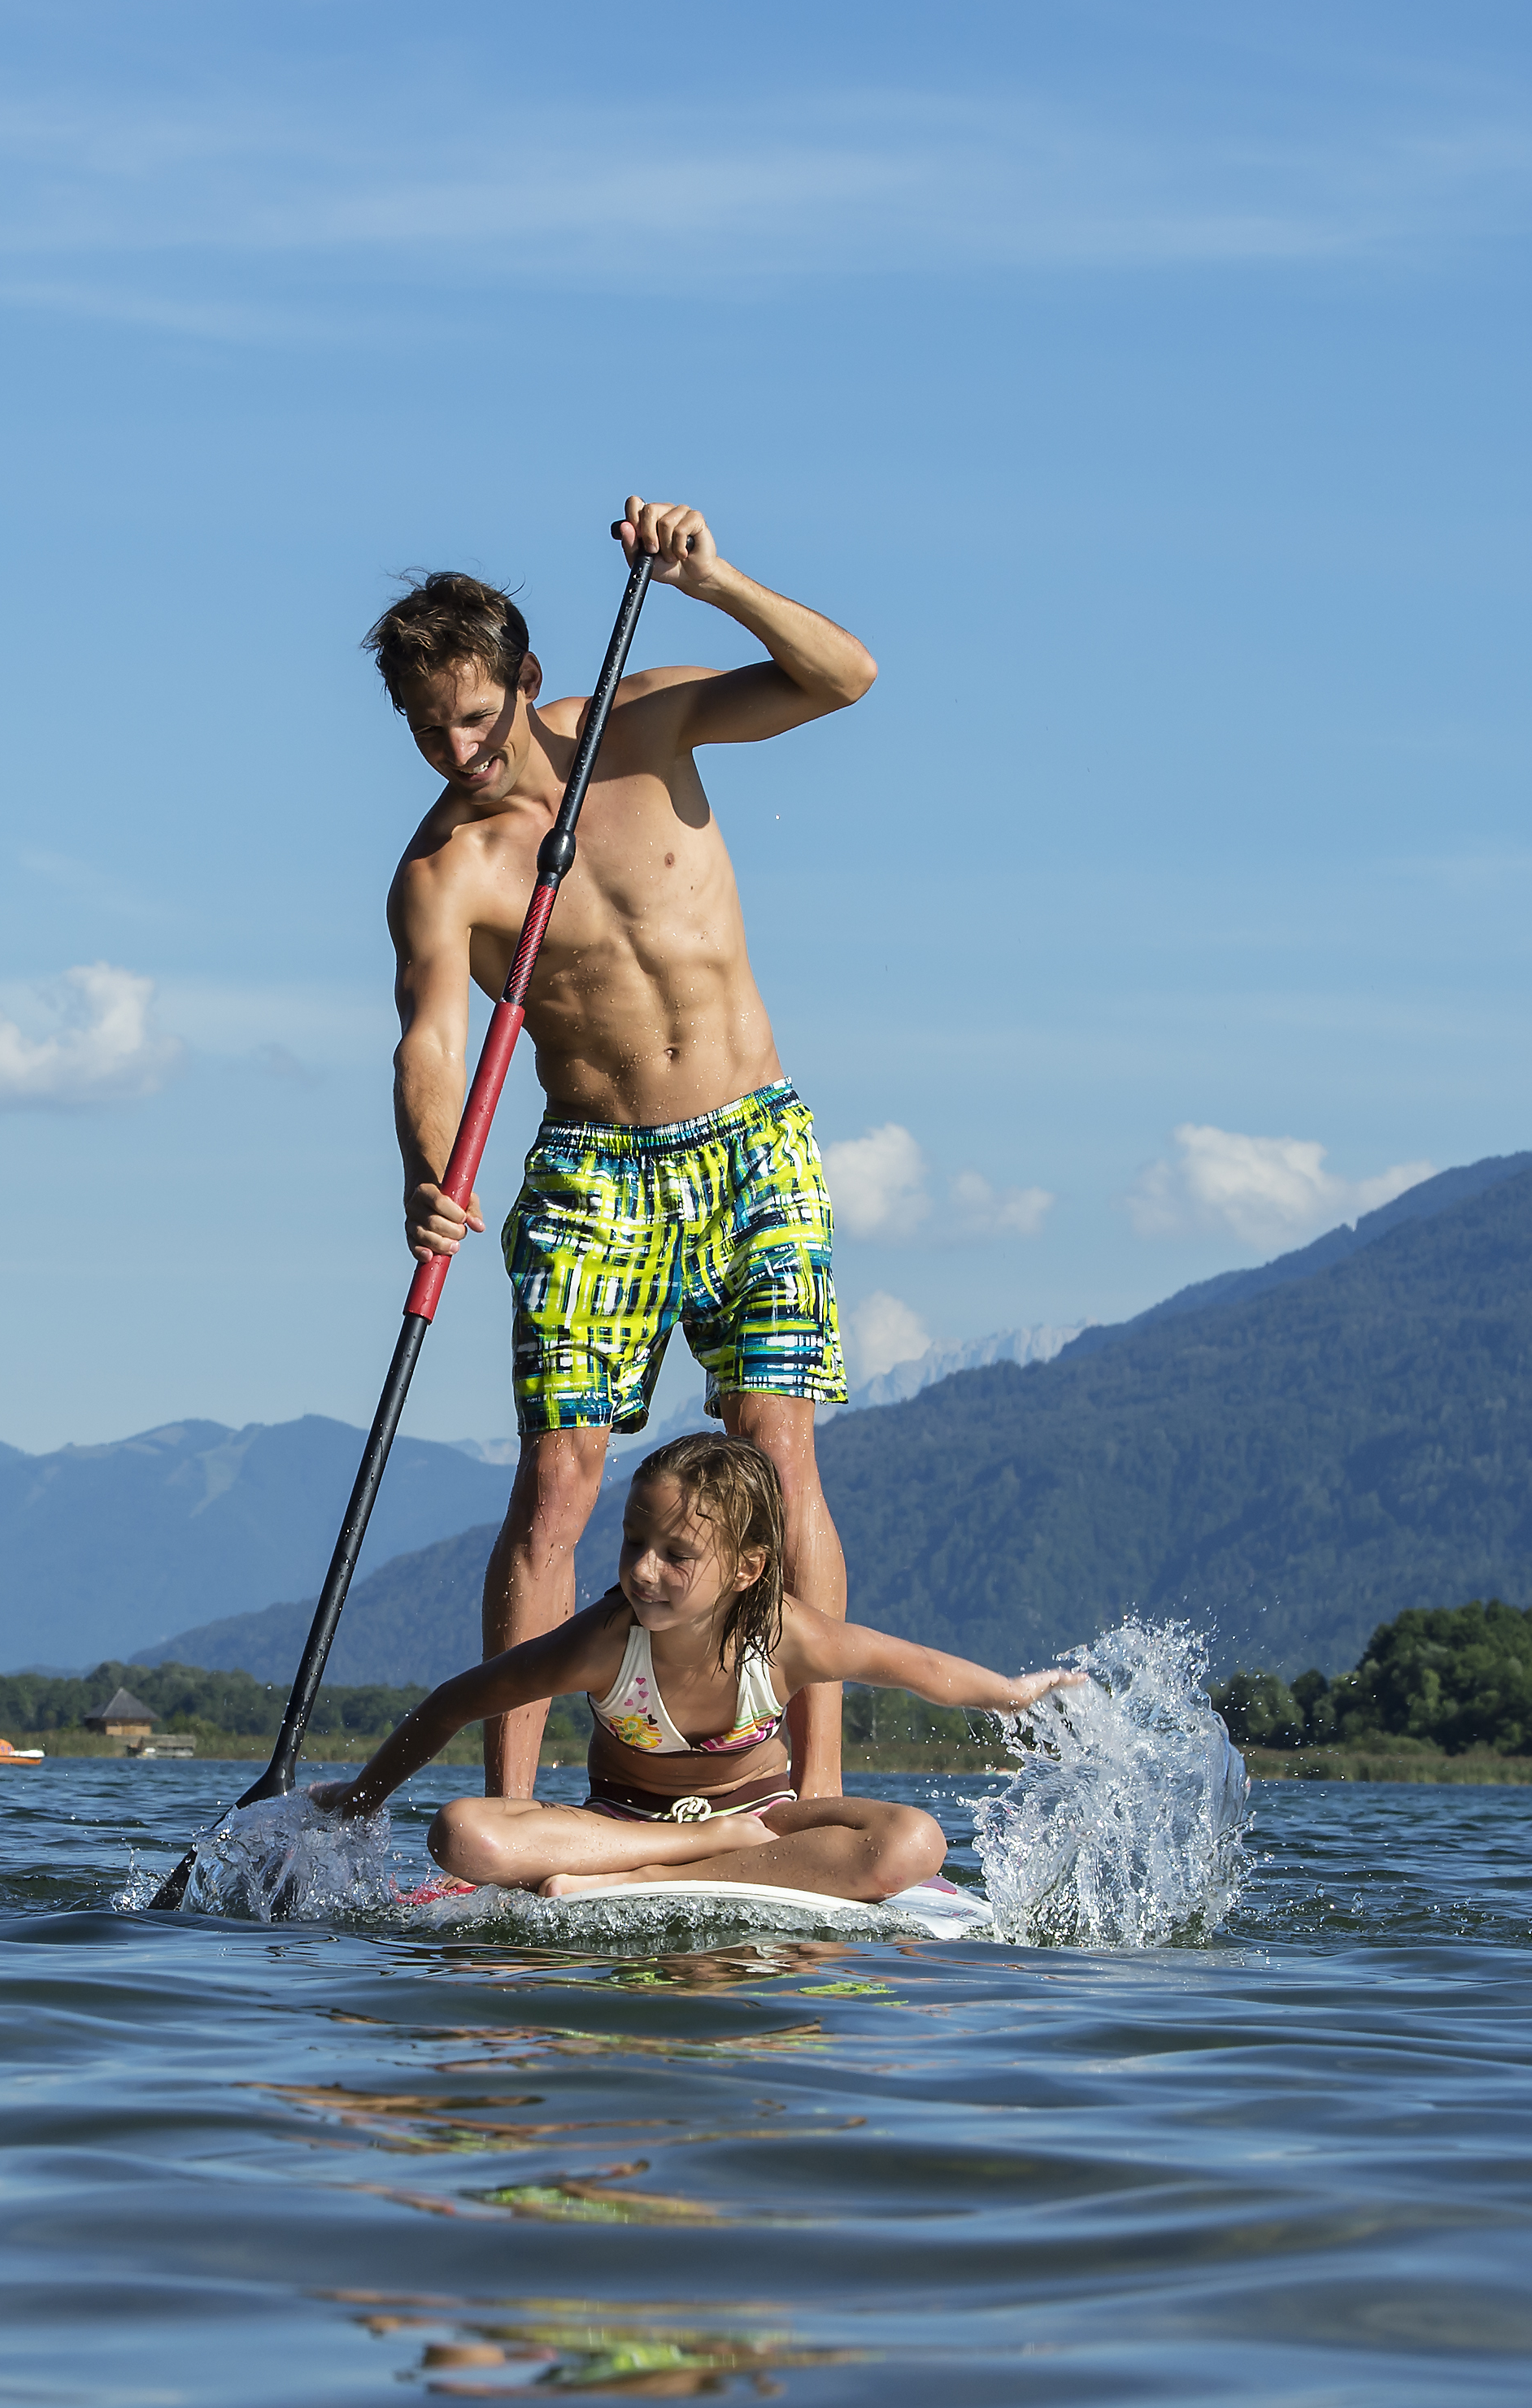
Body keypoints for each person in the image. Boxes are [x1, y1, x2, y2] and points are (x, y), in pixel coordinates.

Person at [374, 498, 878, 1809]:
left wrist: (712, 581)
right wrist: (433, 1176)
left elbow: (843, 678)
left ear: (527, 682)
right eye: (427, 728)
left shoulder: (648, 724)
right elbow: (430, 1044)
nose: (455, 748)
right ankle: (515, 1806)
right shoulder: (446, 870)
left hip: (752, 1143)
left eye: (476, 715)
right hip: (595, 1169)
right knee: (557, 1484)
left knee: (777, 1456)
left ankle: (809, 1798)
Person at [316, 1435, 1079, 1901]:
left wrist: (1014, 1695)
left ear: (748, 1569)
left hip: (763, 1821)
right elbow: (455, 1702)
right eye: (633, 1543)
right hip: (621, 1827)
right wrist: (363, 1796)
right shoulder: (605, 1640)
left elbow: (916, 1668)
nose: (643, 1571)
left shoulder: (786, 1636)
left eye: (677, 1555)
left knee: (915, 1841)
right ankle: (687, 1856)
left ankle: (660, 1879)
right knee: (462, 1835)